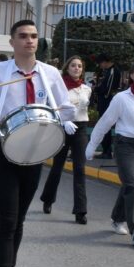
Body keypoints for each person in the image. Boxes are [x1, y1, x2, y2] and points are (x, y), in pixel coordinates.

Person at [0, 20, 76, 267]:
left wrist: (65, 120)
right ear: (12, 42)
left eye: (33, 36)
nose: (29, 41)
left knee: (18, 220)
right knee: (7, 220)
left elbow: (65, 107)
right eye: (23, 36)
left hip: (36, 152)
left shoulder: (50, 74)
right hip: (5, 151)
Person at [86, 59, 134, 246]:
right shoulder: (121, 98)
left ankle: (117, 218)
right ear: (131, 76)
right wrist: (92, 145)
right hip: (125, 145)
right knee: (133, 184)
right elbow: (105, 122)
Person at [40, 55, 92, 224]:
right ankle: (48, 199)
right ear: (67, 68)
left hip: (81, 128)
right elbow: (51, 107)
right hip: (63, 127)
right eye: (73, 66)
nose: (77, 68)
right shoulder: (59, 87)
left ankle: (80, 211)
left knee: (80, 168)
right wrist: (64, 120)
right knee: (58, 165)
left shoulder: (86, 89)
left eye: (79, 66)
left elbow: (84, 109)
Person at [92, 52, 123, 159]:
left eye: (100, 63)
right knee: (104, 126)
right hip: (105, 102)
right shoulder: (108, 71)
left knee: (105, 127)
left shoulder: (113, 71)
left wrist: (96, 89)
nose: (100, 66)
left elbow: (107, 90)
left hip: (107, 102)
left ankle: (107, 151)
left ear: (104, 62)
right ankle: (106, 150)